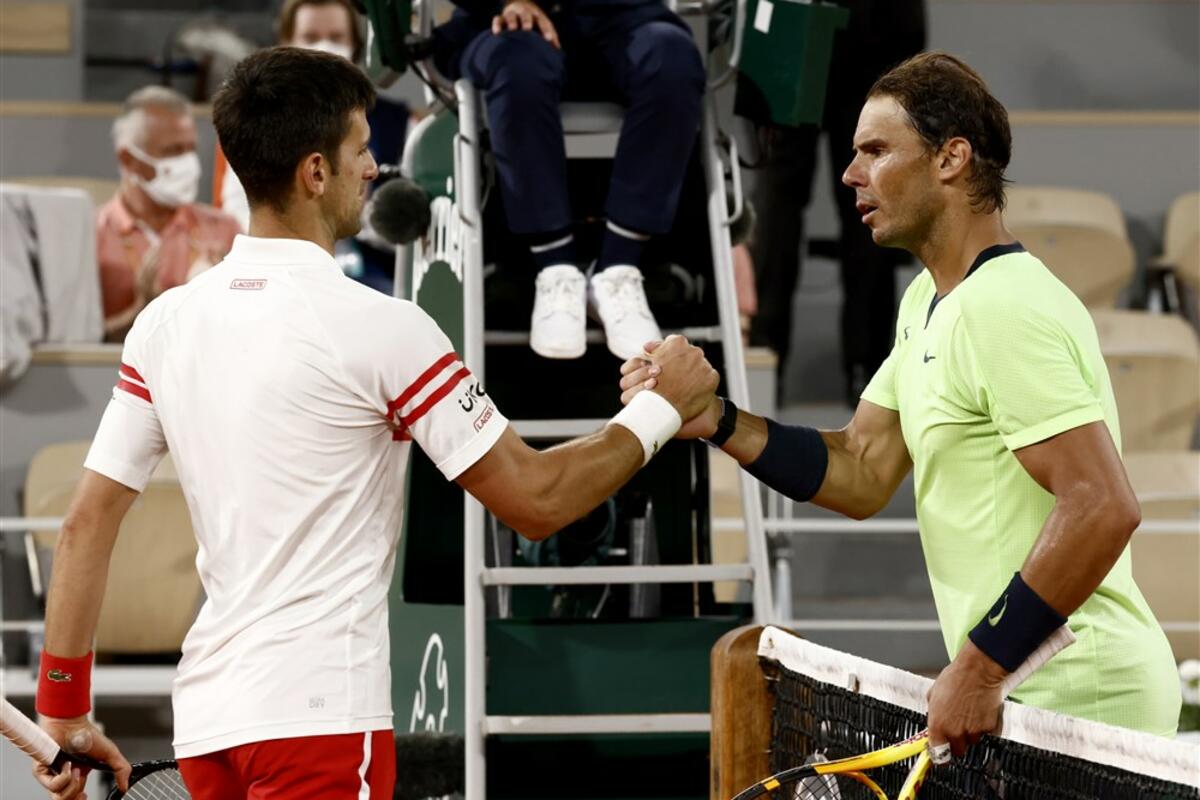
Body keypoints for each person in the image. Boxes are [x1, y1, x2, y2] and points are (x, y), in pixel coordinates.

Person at [32, 47, 716, 800]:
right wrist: (661, 409)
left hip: (209, 728)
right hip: (320, 722)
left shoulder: (164, 324)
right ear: (314, 172)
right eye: (360, 149)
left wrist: (63, 707)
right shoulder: (385, 327)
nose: (372, 167)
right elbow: (537, 499)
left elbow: (86, 523)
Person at [621, 52, 1181, 753]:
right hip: (1027, 697)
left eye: (876, 151)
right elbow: (861, 468)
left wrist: (980, 666)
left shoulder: (1003, 306)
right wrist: (718, 419)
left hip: (1084, 700)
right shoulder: (927, 301)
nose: (850, 174)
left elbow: (1102, 504)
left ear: (951, 159)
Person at [434, 0, 705, 360]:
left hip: (623, 18)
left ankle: (617, 269)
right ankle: (556, 269)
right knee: (518, 64)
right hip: (505, 26)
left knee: (673, 59)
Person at [749, 0, 925, 404]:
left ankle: (861, 371)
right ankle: (770, 361)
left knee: (870, 194)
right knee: (783, 204)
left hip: (842, 27)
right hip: (803, 26)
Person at [97, 86, 240, 341]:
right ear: (128, 159)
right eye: (173, 151)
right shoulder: (92, 236)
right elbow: (78, 342)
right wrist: (139, 314)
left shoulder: (225, 230)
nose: (189, 164)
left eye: (190, 149)